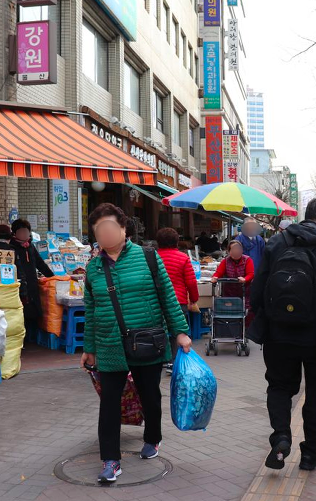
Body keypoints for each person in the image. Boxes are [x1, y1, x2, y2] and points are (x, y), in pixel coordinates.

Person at [81, 203, 191, 483]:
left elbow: (168, 298)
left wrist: (180, 332)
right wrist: (89, 348)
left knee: (149, 395)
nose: (105, 234)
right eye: (99, 230)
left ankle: (152, 437)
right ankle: (110, 460)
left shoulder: (149, 258)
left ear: (123, 228)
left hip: (146, 340)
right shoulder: (93, 268)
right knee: (109, 403)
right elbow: (91, 311)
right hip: (109, 345)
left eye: (109, 227)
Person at [249, 197, 316, 472]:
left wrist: (267, 317)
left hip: (279, 333)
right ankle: (311, 454)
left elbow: (258, 289)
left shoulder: (277, 243)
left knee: (279, 387)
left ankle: (281, 436)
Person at [157, 227, 199, 373]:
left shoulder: (151, 258)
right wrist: (194, 299)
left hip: (157, 301)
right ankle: (173, 362)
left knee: (159, 330)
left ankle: (160, 360)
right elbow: (191, 282)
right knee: (177, 331)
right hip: (178, 300)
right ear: (177, 242)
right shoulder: (183, 258)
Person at [9, 219, 54, 330]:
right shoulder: (11, 248)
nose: (24, 234)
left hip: (32, 284)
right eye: (21, 231)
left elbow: (40, 264)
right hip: (19, 286)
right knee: (22, 314)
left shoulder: (31, 246)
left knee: (34, 313)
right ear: (15, 233)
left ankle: (32, 335)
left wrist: (52, 277)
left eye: (26, 231)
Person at [211, 240, 255, 318]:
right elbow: (218, 272)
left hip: (245, 292)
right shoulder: (225, 261)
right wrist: (215, 277)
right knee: (230, 312)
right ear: (229, 251)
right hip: (229, 292)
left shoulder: (247, 260)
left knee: (246, 313)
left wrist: (245, 279)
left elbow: (251, 274)